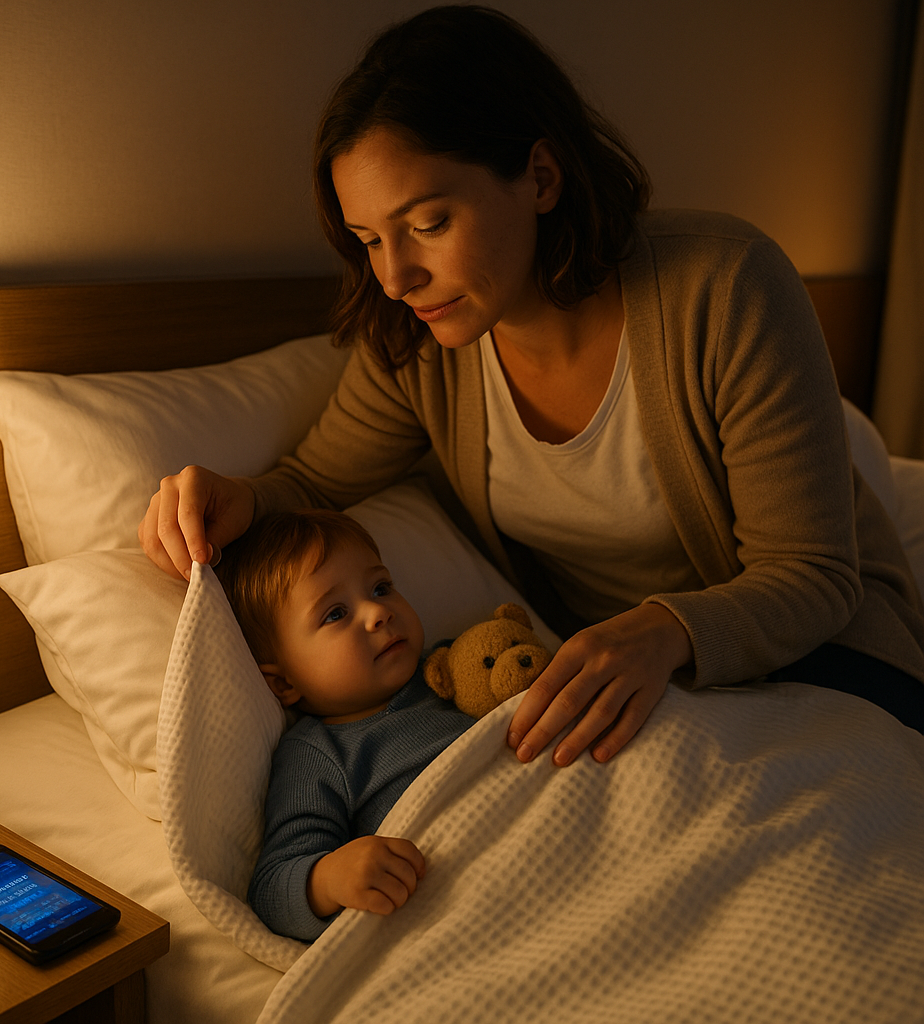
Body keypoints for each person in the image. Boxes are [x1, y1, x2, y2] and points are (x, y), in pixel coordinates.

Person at [141, 5, 924, 759]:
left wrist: (658, 633)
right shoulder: (417, 346)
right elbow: (315, 480)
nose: (395, 277)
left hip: (822, 653)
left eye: (428, 224)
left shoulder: (724, 285)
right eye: (369, 239)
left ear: (542, 177)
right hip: (621, 681)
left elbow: (816, 576)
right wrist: (238, 498)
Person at [215, 508, 474, 941]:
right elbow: (272, 887)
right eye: (335, 613)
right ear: (283, 682)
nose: (378, 612)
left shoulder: (454, 667)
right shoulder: (319, 753)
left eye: (381, 587)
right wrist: (332, 878)